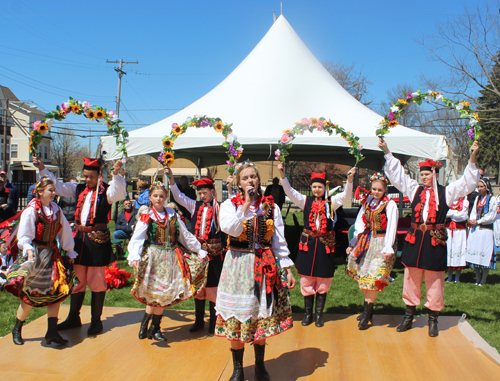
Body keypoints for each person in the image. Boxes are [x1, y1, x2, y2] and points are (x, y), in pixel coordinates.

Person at [379, 138, 480, 337]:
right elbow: (399, 176)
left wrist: (472, 157)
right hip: (415, 240)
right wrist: (387, 152)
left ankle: (433, 320)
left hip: (435, 240)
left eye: (427, 174)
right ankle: (408, 317)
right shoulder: (414, 189)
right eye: (422, 174)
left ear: (434, 174)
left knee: (435, 280)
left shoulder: (447, 192)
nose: (424, 177)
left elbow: (466, 183)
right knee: (411, 278)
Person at [216, 161, 296, 381]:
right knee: (237, 315)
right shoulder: (229, 205)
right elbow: (230, 228)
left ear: (259, 180)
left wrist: (287, 268)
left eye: (253, 177)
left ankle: (260, 366)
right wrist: (245, 205)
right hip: (237, 266)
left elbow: (279, 241)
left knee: (260, 315)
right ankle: (238, 369)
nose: (250, 180)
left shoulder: (271, 207)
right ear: (239, 183)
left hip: (263, 266)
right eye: (245, 178)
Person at [33, 155, 127, 336]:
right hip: (78, 241)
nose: (87, 180)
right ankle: (74, 317)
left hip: (96, 241)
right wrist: (43, 168)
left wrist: (115, 174)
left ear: (99, 175)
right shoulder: (78, 188)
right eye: (85, 176)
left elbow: (120, 193)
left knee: (96, 281)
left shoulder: (106, 191)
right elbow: (58, 187)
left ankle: (96, 321)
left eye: (91, 176)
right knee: (77, 280)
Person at [278, 162, 356, 328]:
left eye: (319, 187)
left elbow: (345, 196)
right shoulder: (304, 201)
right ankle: (308, 314)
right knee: (306, 279)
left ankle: (319, 315)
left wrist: (349, 181)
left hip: (324, 246)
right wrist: (283, 176)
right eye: (314, 187)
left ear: (325, 187)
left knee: (322, 280)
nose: (316, 190)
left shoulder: (331, 202)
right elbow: (290, 192)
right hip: (308, 245)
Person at [128, 182, 208, 341]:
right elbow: (137, 237)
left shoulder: (172, 214)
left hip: (171, 257)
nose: (158, 198)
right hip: (154, 257)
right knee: (154, 293)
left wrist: (198, 249)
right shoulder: (147, 214)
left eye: (161, 196)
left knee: (163, 292)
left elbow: (183, 235)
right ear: (150, 197)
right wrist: (134, 255)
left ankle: (152, 327)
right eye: (155, 196)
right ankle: (150, 327)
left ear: (165, 198)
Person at [4, 175, 78, 345]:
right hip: (36, 255)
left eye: (54, 190)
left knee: (56, 293)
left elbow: (65, 231)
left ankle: (52, 332)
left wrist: (69, 251)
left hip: (52, 255)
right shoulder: (32, 210)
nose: (54, 193)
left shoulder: (56, 210)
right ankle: (17, 328)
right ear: (40, 192)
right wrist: (28, 250)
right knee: (30, 294)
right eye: (50, 190)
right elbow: (24, 236)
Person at [167, 170, 224, 334]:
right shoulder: (194, 205)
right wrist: (171, 179)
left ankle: (214, 322)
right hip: (199, 253)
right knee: (198, 287)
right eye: (200, 193)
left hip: (215, 253)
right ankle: (199, 320)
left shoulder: (220, 207)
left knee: (213, 288)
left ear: (212, 191)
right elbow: (178, 197)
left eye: (205, 192)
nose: (202, 195)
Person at [346, 173, 397, 330]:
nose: (376, 192)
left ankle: (366, 314)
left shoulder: (390, 204)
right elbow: (360, 222)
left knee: (373, 278)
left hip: (381, 243)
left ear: (385, 190)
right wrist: (354, 241)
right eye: (374, 189)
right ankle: (368, 310)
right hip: (367, 241)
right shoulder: (368, 201)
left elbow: (392, 227)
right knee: (365, 277)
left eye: (379, 190)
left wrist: (388, 247)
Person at [465, 178, 498, 286]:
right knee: (475, 254)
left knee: (484, 255)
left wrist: (479, 221)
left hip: (486, 230)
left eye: (481, 187)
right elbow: (474, 210)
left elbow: (491, 216)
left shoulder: (492, 199)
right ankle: (477, 278)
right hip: (476, 230)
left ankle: (484, 279)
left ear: (486, 187)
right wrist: (472, 219)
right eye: (478, 187)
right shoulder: (478, 198)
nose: (479, 189)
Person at [445, 197, 469, 283]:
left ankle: (457, 277)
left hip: (459, 231)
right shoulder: (448, 201)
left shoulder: (465, 202)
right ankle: (449, 276)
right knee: (449, 250)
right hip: (448, 230)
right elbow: (445, 213)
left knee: (458, 250)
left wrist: (451, 214)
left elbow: (463, 216)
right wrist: (456, 213)